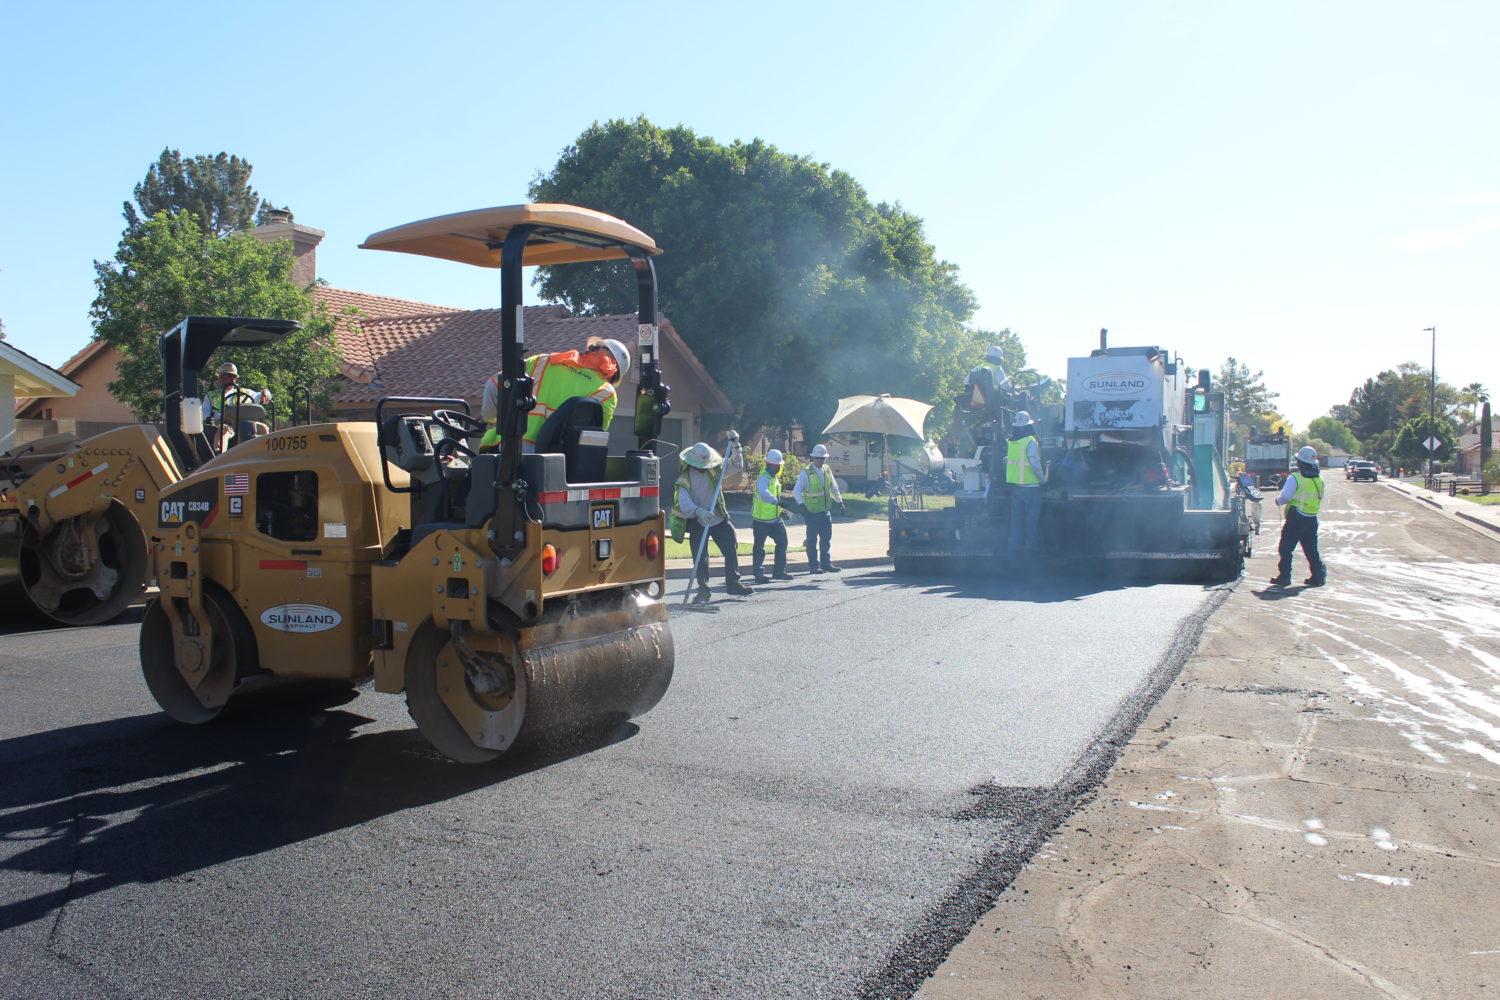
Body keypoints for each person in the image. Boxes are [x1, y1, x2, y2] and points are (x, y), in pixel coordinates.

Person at [479, 336, 629, 452]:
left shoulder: (543, 361)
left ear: (591, 349)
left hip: (506, 449)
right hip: (557, 464)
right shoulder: (606, 393)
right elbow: (593, 440)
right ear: (614, 374)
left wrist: (490, 419)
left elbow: (493, 385)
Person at [673, 437, 753, 603]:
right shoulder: (684, 480)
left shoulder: (715, 469)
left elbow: (736, 466)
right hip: (697, 520)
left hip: (717, 517)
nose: (704, 468)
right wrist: (698, 511)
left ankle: (733, 583)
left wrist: (737, 446)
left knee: (731, 546)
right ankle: (703, 591)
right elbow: (684, 503)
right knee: (700, 557)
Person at [1270, 445, 1326, 587]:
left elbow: (1285, 497)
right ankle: (1318, 576)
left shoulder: (1295, 478)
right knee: (1311, 549)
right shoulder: (1319, 479)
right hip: (1312, 518)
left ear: (1300, 462)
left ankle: (1284, 576)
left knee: (1285, 548)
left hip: (1297, 519)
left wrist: (1278, 501)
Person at [793, 443, 845, 573]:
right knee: (812, 541)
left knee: (826, 539)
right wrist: (801, 505)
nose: (821, 460)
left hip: (825, 511)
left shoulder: (827, 469)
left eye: (823, 458)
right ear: (813, 458)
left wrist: (839, 500)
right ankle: (814, 566)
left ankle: (826, 564)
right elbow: (796, 491)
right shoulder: (806, 472)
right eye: (818, 458)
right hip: (811, 512)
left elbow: (834, 486)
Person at [750, 449, 794, 583]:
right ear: (768, 464)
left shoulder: (774, 479)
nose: (777, 467)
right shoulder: (763, 478)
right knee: (759, 547)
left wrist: (781, 509)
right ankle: (758, 575)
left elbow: (774, 496)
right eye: (775, 465)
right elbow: (763, 493)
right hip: (761, 519)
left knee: (782, 543)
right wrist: (777, 502)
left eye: (778, 465)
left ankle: (779, 572)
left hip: (775, 519)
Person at [203, 362, 272, 447]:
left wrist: (266, 392)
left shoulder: (244, 392)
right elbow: (206, 416)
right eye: (229, 375)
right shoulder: (211, 396)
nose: (233, 378)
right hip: (226, 425)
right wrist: (223, 417)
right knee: (223, 430)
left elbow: (263, 398)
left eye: (235, 376)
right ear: (221, 377)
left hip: (245, 424)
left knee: (263, 428)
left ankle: (265, 455)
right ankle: (219, 455)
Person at [1006, 410, 1044, 551]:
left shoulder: (1011, 441)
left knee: (1016, 519)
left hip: (1016, 486)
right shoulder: (1030, 442)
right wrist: (1043, 480)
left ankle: (1014, 546)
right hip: (1032, 486)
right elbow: (1034, 463)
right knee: (1031, 519)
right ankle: (1031, 547)